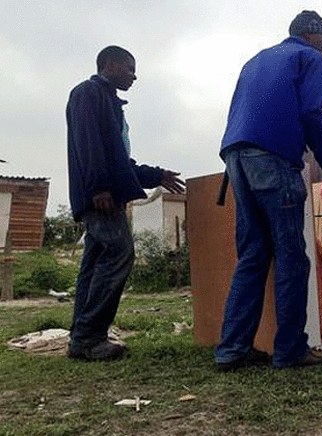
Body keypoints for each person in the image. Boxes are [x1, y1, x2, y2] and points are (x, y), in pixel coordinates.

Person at [215, 10, 322, 370]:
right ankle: (290, 350)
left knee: (253, 256)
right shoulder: (310, 58)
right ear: (311, 34)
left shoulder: (257, 60)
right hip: (273, 158)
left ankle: (232, 350)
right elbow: (313, 115)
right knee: (291, 257)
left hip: (237, 158)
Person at [66, 45, 185, 361]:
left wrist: (156, 174)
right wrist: (98, 189)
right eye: (129, 68)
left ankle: (83, 338)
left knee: (93, 264)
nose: (134, 75)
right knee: (120, 251)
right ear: (109, 65)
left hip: (105, 196)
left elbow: (120, 161)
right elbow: (87, 144)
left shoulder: (110, 103)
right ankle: (89, 337)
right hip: (99, 198)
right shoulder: (88, 93)